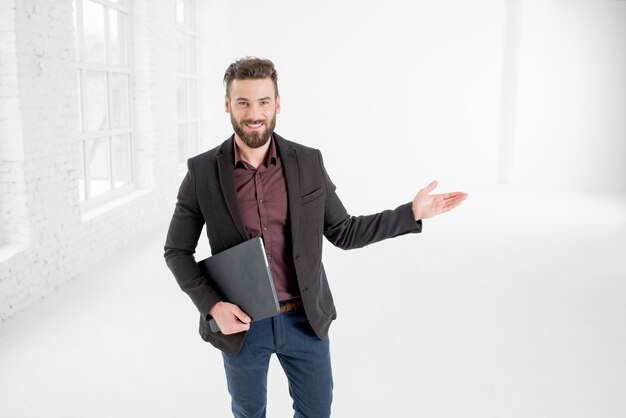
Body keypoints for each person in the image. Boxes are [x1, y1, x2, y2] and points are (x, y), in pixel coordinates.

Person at [164, 57, 467, 418]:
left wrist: (411, 213)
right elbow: (177, 251)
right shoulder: (202, 172)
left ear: (278, 104)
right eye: (243, 102)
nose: (254, 113)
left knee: (316, 412)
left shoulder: (307, 162)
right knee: (248, 413)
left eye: (263, 102)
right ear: (228, 105)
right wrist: (214, 307)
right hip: (243, 325)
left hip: (305, 319)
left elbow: (344, 230)